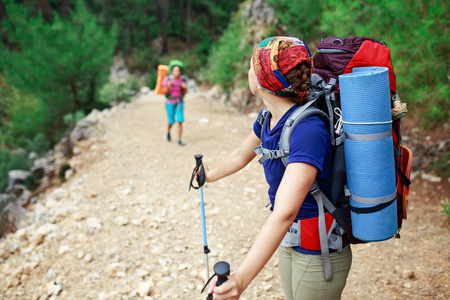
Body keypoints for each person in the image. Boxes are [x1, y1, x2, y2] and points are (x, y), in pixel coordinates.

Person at [200, 37, 352, 300]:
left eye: (251, 67)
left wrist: (239, 280)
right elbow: (240, 154)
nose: (248, 72)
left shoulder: (307, 130)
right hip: (290, 240)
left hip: (319, 248)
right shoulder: (268, 117)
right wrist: (209, 176)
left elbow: (284, 211)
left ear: (263, 80)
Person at [163, 60, 187, 146]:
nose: (178, 72)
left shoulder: (183, 79)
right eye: (176, 70)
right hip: (170, 102)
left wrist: (184, 88)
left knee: (180, 120)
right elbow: (164, 92)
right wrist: (168, 86)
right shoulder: (167, 79)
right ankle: (168, 130)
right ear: (172, 71)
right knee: (171, 121)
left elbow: (184, 92)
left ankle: (179, 139)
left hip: (179, 102)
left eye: (179, 70)